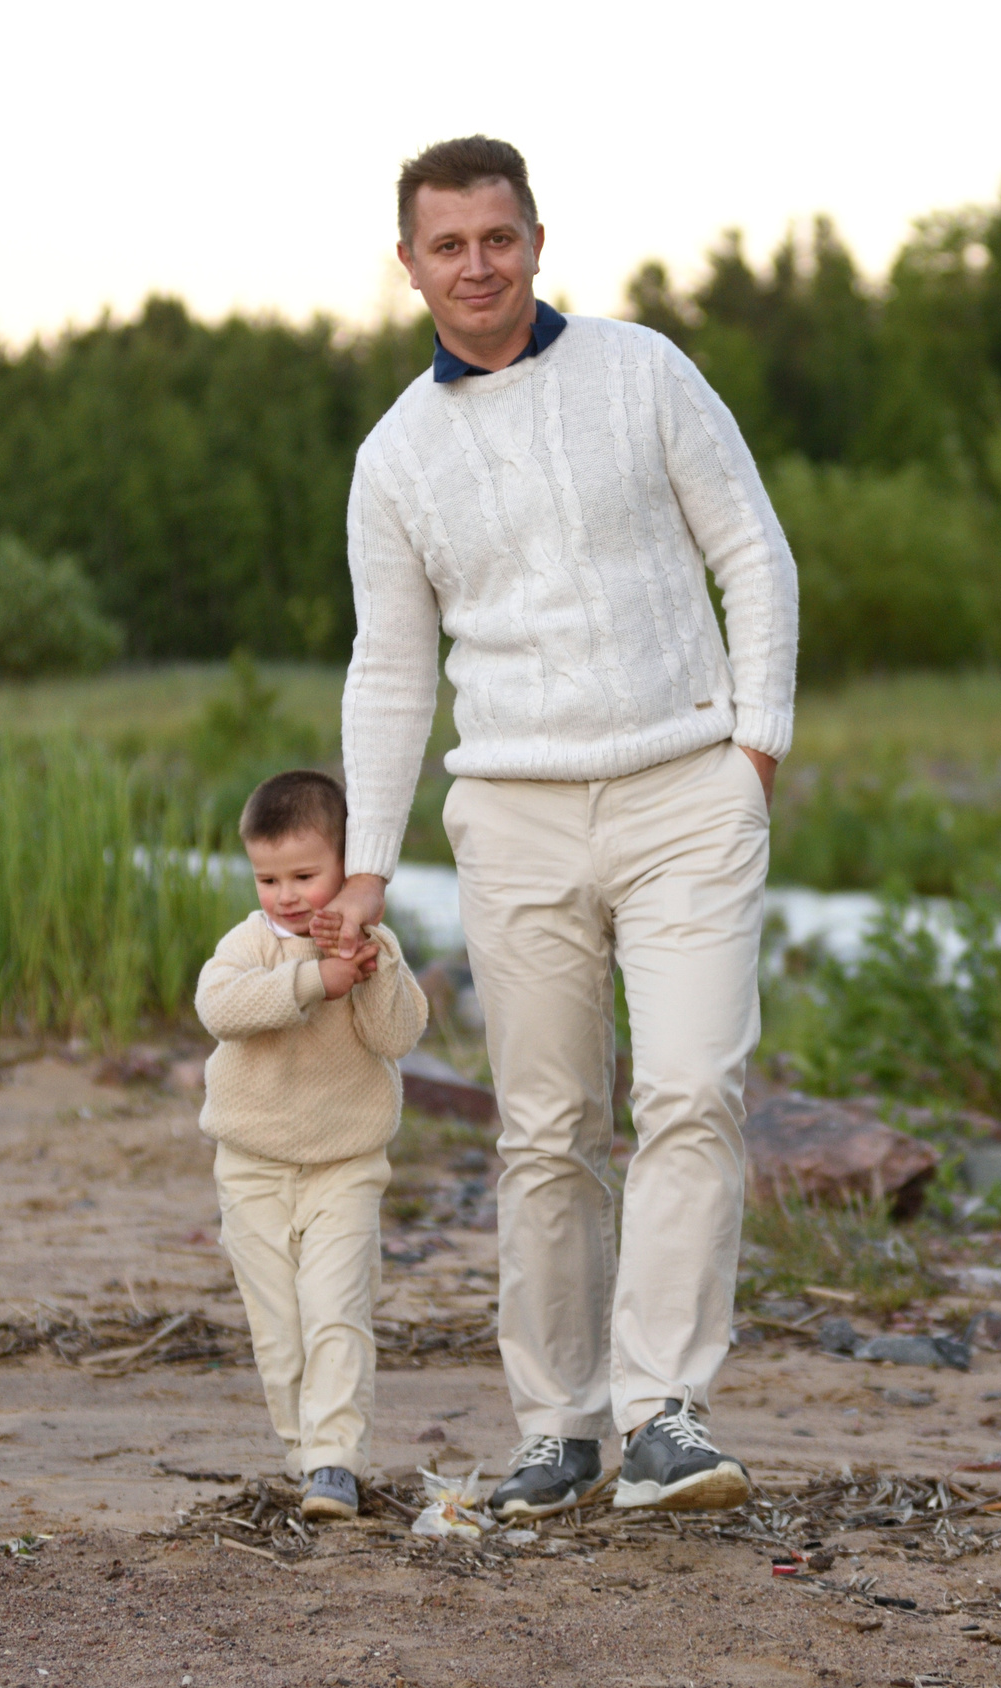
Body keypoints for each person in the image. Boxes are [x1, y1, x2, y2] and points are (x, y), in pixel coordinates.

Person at [320, 135, 797, 1516]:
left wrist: (751, 745)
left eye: (499, 237)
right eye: (448, 244)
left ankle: (664, 1413)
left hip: (683, 789)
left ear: (536, 240)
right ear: (408, 264)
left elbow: (752, 555)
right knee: (544, 1127)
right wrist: (365, 870)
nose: (478, 265)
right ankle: (562, 1427)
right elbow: (392, 668)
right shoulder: (394, 456)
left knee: (694, 1090)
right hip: (514, 812)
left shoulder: (646, 373)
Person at [196, 768, 429, 1520]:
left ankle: (334, 1460)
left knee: (336, 1307)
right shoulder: (250, 945)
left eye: (306, 874)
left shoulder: (372, 950)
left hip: (346, 1165)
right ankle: (302, 1452)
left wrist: (367, 970)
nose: (288, 895)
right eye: (269, 878)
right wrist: (311, 983)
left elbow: (399, 1034)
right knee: (279, 1326)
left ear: (348, 864)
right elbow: (219, 1007)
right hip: (253, 1165)